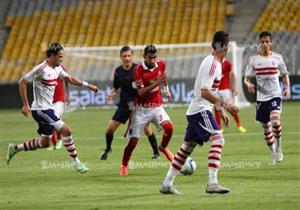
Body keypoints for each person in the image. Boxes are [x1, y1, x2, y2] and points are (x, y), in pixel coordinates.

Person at [159, 31, 239, 195]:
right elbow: (204, 92)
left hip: (198, 110)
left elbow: (211, 91)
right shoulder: (213, 64)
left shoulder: (214, 63)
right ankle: (213, 183)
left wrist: (219, 109)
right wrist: (226, 105)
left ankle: (167, 184)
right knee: (218, 139)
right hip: (200, 110)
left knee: (186, 148)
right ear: (225, 46)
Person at [6, 42, 99, 173]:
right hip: (40, 110)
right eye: (60, 57)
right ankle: (77, 163)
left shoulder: (57, 68)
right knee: (67, 130)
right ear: (52, 56)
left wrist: (88, 85)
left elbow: (70, 78)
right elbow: (22, 82)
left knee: (45, 143)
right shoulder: (41, 69)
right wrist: (25, 104)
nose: (62, 59)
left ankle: (15, 148)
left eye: (62, 56)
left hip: (47, 109)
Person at [120, 45, 174, 176]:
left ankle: (163, 148)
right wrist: (157, 83)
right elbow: (141, 92)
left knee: (169, 127)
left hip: (156, 107)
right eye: (150, 58)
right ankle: (124, 165)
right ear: (144, 57)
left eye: (155, 57)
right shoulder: (138, 70)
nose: (153, 60)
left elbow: (163, 76)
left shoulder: (161, 65)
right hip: (141, 110)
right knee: (133, 142)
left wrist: (166, 91)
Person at [99, 46, 160, 160]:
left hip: (137, 105)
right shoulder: (118, 71)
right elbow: (116, 88)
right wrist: (111, 95)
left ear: (132, 56)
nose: (127, 58)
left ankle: (156, 152)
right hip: (124, 105)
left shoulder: (138, 69)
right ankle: (107, 149)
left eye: (129, 56)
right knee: (110, 129)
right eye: (124, 56)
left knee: (147, 129)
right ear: (121, 57)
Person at [244, 31, 290, 164]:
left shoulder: (278, 58)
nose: (265, 44)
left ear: (271, 43)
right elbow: (246, 78)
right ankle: (273, 152)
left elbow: (285, 74)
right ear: (259, 43)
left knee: (275, 121)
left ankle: (279, 148)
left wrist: (286, 88)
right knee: (265, 127)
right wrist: (248, 84)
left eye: (267, 41)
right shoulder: (254, 59)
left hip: (275, 94)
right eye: (262, 42)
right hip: (261, 97)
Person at [214, 59, 247, 133]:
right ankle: (219, 128)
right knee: (217, 109)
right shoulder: (213, 64)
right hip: (216, 90)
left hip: (225, 90)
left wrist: (235, 88)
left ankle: (239, 125)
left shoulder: (227, 63)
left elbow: (233, 75)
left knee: (231, 108)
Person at [47, 68, 70, 150]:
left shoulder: (60, 68)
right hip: (48, 100)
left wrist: (68, 94)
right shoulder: (45, 68)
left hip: (58, 100)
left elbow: (67, 80)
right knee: (53, 122)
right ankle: (56, 143)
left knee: (54, 122)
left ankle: (57, 142)